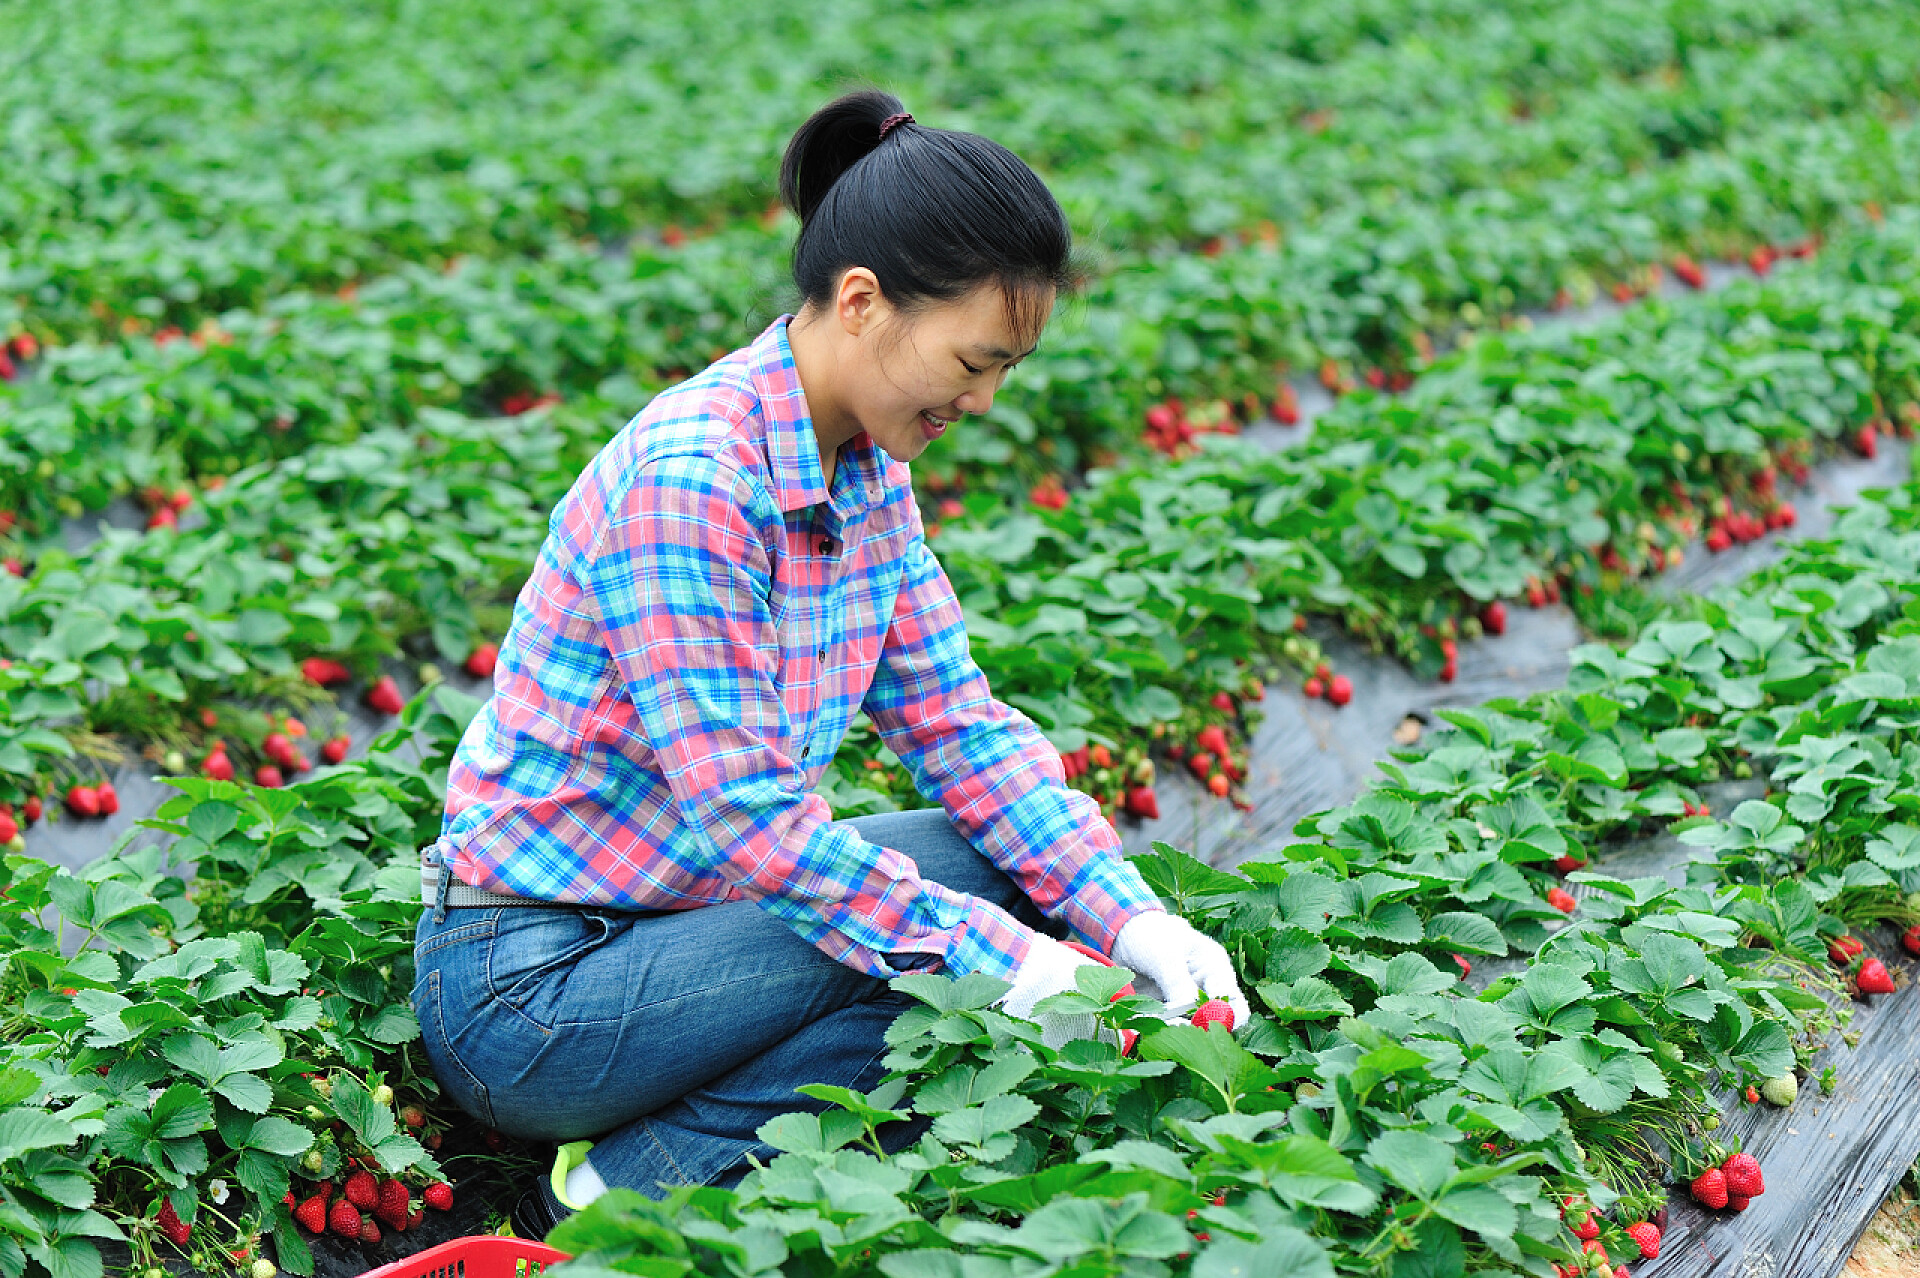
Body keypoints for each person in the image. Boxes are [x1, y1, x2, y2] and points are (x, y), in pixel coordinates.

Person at [409, 88, 1250, 1238]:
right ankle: (625, 1194)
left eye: (1006, 370)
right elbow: (755, 824)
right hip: (536, 993)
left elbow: (958, 727)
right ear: (862, 302)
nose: (984, 401)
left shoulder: (867, 477)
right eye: (974, 361)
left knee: (1000, 877)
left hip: (684, 928)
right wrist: (1012, 965)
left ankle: (670, 1146)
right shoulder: (694, 481)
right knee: (955, 940)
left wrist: (1132, 923)